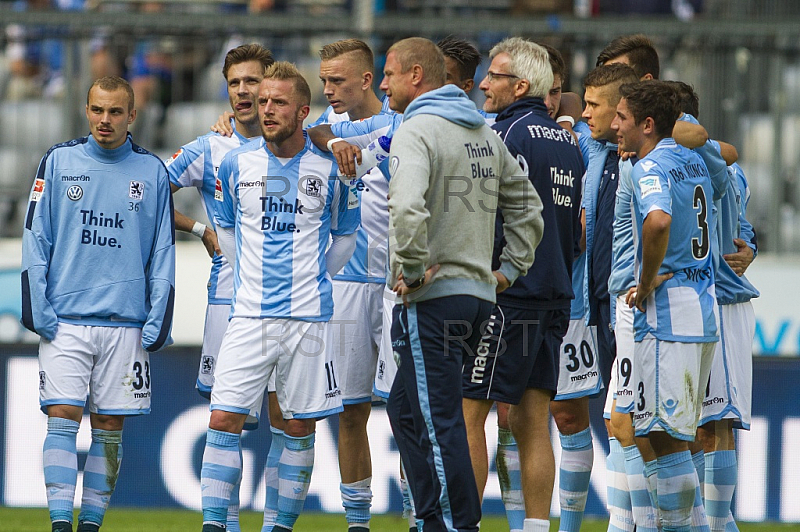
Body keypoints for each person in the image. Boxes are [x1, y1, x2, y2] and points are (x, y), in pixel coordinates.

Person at [382, 36, 543, 532]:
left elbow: (407, 210)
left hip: (431, 299)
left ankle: (456, 526)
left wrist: (410, 270)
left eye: (388, 72)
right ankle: (431, 518)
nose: (383, 82)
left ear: (416, 75)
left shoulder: (417, 132)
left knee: (437, 418)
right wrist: (506, 271)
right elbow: (529, 210)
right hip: (476, 300)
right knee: (404, 408)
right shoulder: (484, 134)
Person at [198, 61, 359, 532]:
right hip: (248, 316)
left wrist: (311, 279)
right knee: (224, 419)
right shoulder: (236, 162)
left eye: (278, 102)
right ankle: (213, 525)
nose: (266, 110)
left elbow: (345, 238)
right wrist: (250, 274)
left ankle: (276, 527)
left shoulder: (329, 167)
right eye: (263, 101)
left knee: (297, 427)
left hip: (308, 319)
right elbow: (225, 228)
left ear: (303, 112)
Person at [21, 75, 175, 532]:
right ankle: (60, 524)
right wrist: (39, 307)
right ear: (86, 111)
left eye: (114, 112)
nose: (104, 120)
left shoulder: (152, 172)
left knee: (109, 428)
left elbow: (162, 250)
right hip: (64, 321)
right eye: (96, 110)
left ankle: (90, 523)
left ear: (132, 115)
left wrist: (158, 313)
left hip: (125, 324)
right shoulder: (59, 160)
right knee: (63, 416)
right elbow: (36, 236)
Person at [460, 37, 581, 532]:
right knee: (534, 421)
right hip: (555, 292)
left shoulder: (502, 137)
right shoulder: (567, 142)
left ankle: (461, 525)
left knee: (468, 413)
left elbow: (487, 218)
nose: (484, 83)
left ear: (522, 85)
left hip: (507, 295)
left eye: (495, 75)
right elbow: (574, 227)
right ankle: (535, 527)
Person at [164, 43, 275, 532]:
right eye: (235, 83)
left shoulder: (304, 142)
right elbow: (144, 192)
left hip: (294, 305)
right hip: (228, 302)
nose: (244, 91)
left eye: (253, 81)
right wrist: (198, 229)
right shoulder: (210, 148)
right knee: (227, 421)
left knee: (291, 424)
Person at [612, 80, 718, 532]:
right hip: (702, 310)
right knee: (662, 437)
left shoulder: (649, 167)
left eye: (622, 117)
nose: (615, 125)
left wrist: (646, 278)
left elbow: (657, 221)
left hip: (669, 320)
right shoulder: (694, 160)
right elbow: (726, 164)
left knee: (662, 437)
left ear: (648, 124)